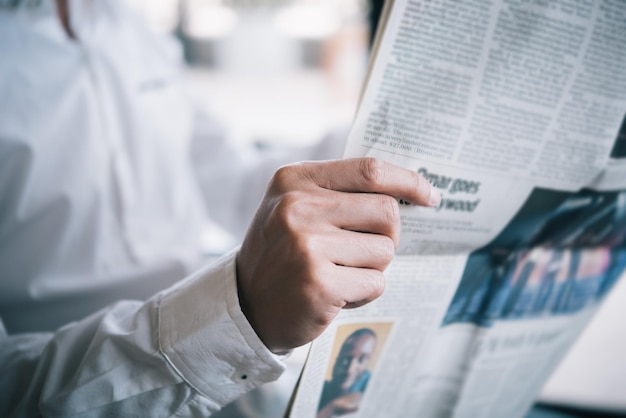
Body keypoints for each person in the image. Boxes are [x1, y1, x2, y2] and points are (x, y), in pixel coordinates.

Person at [0, 0, 440, 416]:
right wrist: (235, 314)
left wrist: (371, 151)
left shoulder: (126, 27)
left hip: (211, 362)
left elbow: (228, 177)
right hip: (114, 380)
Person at [317, 328, 377, 418]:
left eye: (362, 359)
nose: (350, 370)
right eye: (346, 359)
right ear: (336, 361)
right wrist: (332, 407)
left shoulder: (371, 389)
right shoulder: (322, 389)